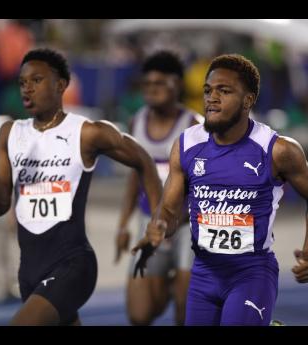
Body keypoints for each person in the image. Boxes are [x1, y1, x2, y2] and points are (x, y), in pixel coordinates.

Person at [0, 48, 162, 326]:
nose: (27, 89)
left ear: (61, 85)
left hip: (73, 265)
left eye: (37, 80)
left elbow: (144, 160)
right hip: (30, 272)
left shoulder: (86, 133)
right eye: (22, 83)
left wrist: (157, 219)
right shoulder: (10, 133)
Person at [132, 54, 308, 326]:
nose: (211, 98)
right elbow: (169, 206)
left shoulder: (276, 150)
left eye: (223, 91)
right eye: (207, 90)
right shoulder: (187, 145)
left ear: (248, 100)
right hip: (202, 273)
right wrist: (159, 225)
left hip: (251, 274)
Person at [114, 51, 201, 325]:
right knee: (139, 315)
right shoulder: (136, 122)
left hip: (187, 226)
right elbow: (134, 177)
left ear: (177, 84)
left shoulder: (195, 126)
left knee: (185, 314)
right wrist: (123, 224)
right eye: (147, 85)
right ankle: (170, 286)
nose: (152, 90)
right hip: (149, 222)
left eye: (159, 84)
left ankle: (181, 286)